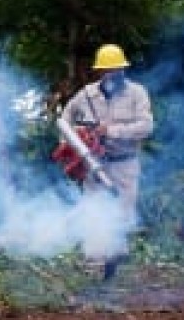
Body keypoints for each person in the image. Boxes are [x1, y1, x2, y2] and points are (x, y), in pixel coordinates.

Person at [60, 43, 154, 278]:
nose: (113, 73)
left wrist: (112, 131)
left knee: (122, 214)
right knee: (93, 211)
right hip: (94, 164)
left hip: (125, 163)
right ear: (100, 71)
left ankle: (113, 261)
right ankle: (94, 265)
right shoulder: (86, 96)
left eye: (117, 69)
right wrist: (72, 144)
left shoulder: (137, 93)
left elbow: (146, 126)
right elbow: (65, 119)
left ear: (123, 69)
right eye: (108, 70)